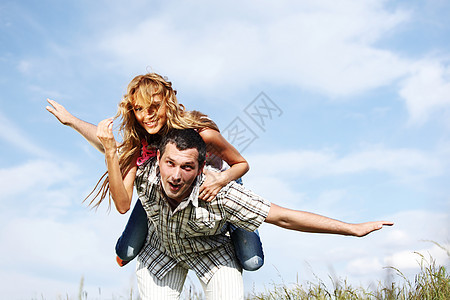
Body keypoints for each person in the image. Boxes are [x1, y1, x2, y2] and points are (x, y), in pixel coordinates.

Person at [123, 128, 393, 299]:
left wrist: (351, 228)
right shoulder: (145, 176)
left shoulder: (222, 193)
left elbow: (284, 216)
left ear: (201, 167)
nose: (176, 176)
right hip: (162, 252)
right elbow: (101, 141)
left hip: (212, 254)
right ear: (157, 159)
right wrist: (78, 121)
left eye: (187, 167)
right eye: (170, 163)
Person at [46, 73, 264, 270]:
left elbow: (241, 164)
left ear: (167, 104)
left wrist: (221, 180)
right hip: (168, 192)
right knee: (125, 252)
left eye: (154, 107)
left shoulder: (201, 134)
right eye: (139, 109)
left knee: (252, 261)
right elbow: (110, 148)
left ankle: (226, 223)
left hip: (219, 186)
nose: (146, 115)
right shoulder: (142, 143)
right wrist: (72, 121)